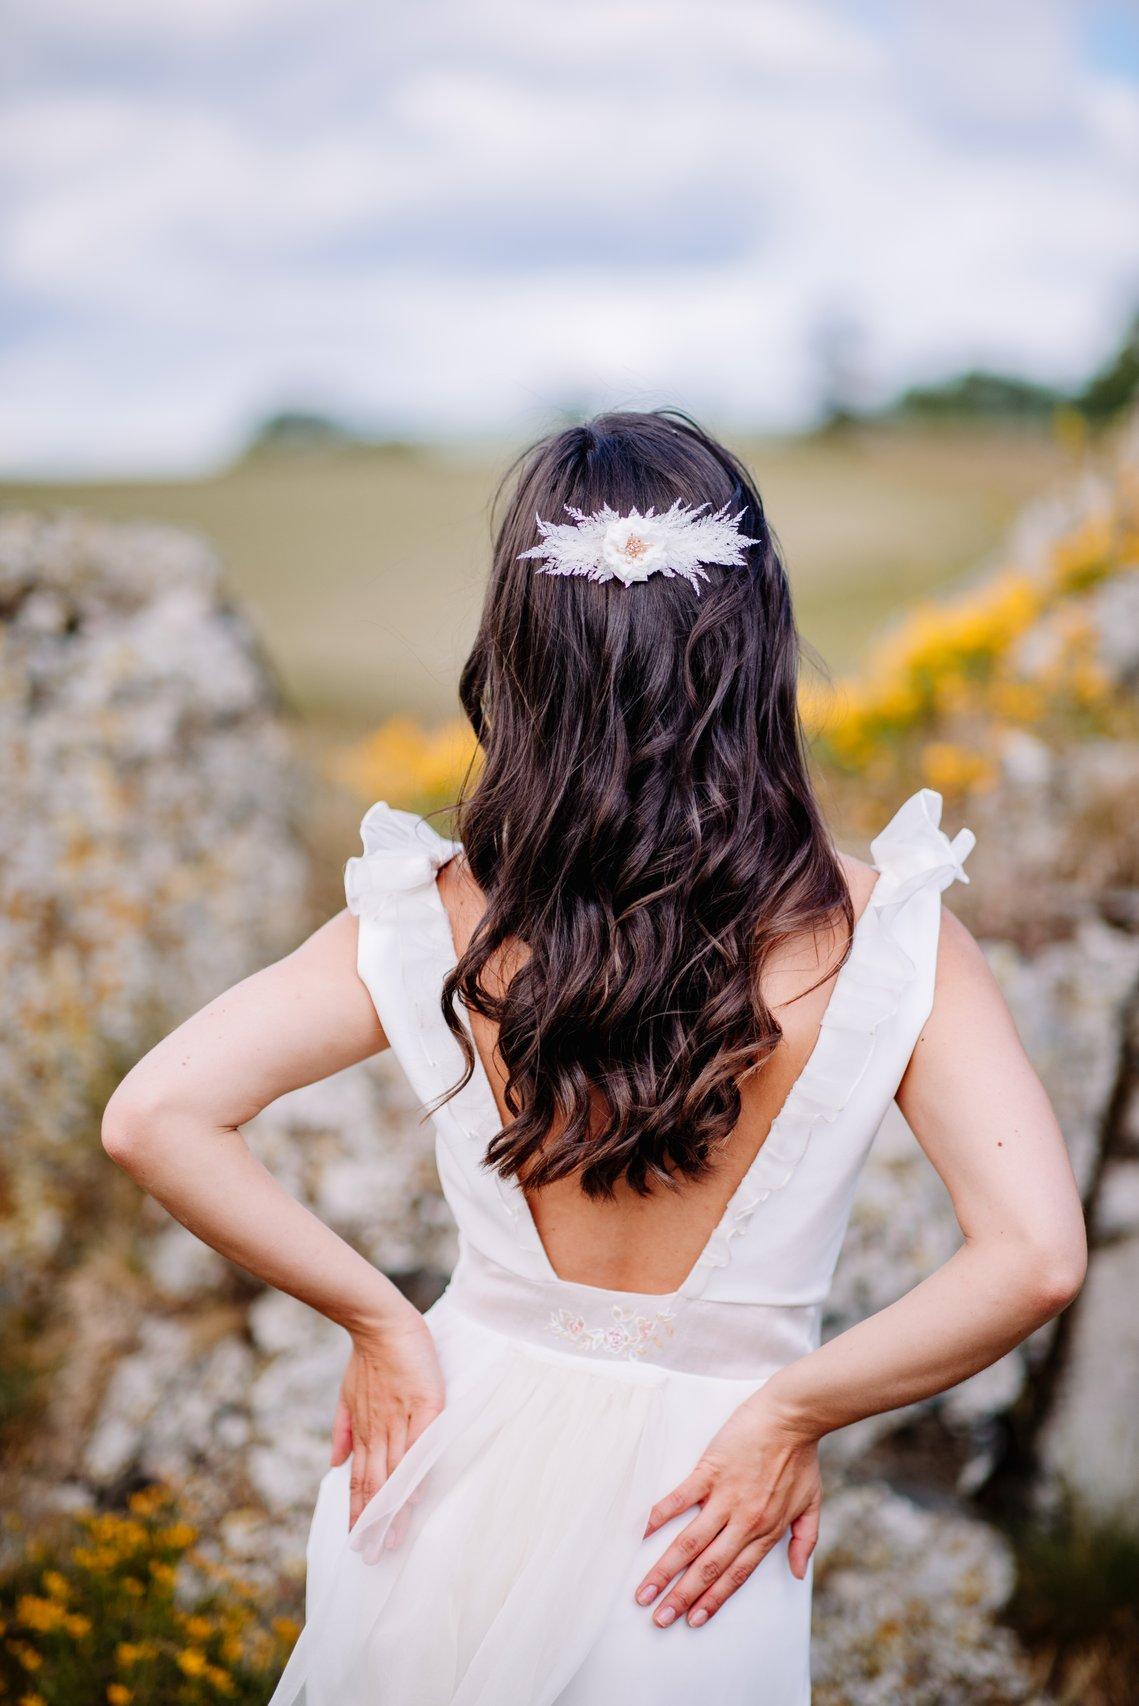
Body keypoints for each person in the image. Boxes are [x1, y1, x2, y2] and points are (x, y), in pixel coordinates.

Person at [102, 411, 1087, 1705]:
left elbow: (155, 1113)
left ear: (522, 655)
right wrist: (794, 1411)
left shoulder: (434, 911)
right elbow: (1037, 1252)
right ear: (755, 642)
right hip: (701, 1519)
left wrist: (376, 1317)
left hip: (448, 1445)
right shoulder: (893, 936)